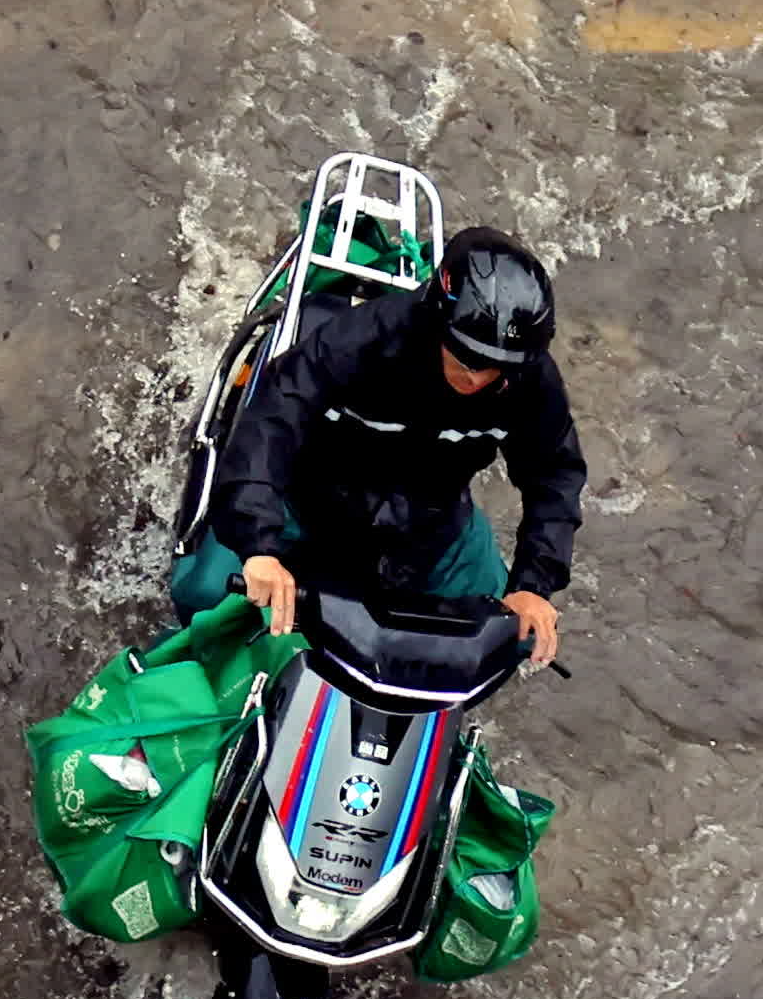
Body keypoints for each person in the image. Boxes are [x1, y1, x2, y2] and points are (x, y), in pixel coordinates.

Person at [170, 225, 584, 668]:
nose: (478, 380)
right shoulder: (356, 344)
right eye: (468, 360)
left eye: (496, 369)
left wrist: (532, 585)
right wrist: (260, 549)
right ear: (437, 324)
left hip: (433, 524)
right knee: (203, 594)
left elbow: (555, 474)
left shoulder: (531, 381)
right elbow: (271, 424)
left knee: (513, 639)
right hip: (310, 505)